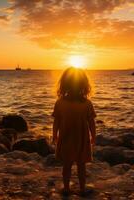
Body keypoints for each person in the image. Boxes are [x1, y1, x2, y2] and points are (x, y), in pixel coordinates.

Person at [51, 67, 96, 196]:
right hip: (72, 138)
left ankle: (77, 188)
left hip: (77, 139)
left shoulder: (86, 104)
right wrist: (55, 134)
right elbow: (57, 121)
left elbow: (91, 122)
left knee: (74, 166)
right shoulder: (62, 103)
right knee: (70, 165)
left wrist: (93, 136)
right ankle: (71, 188)